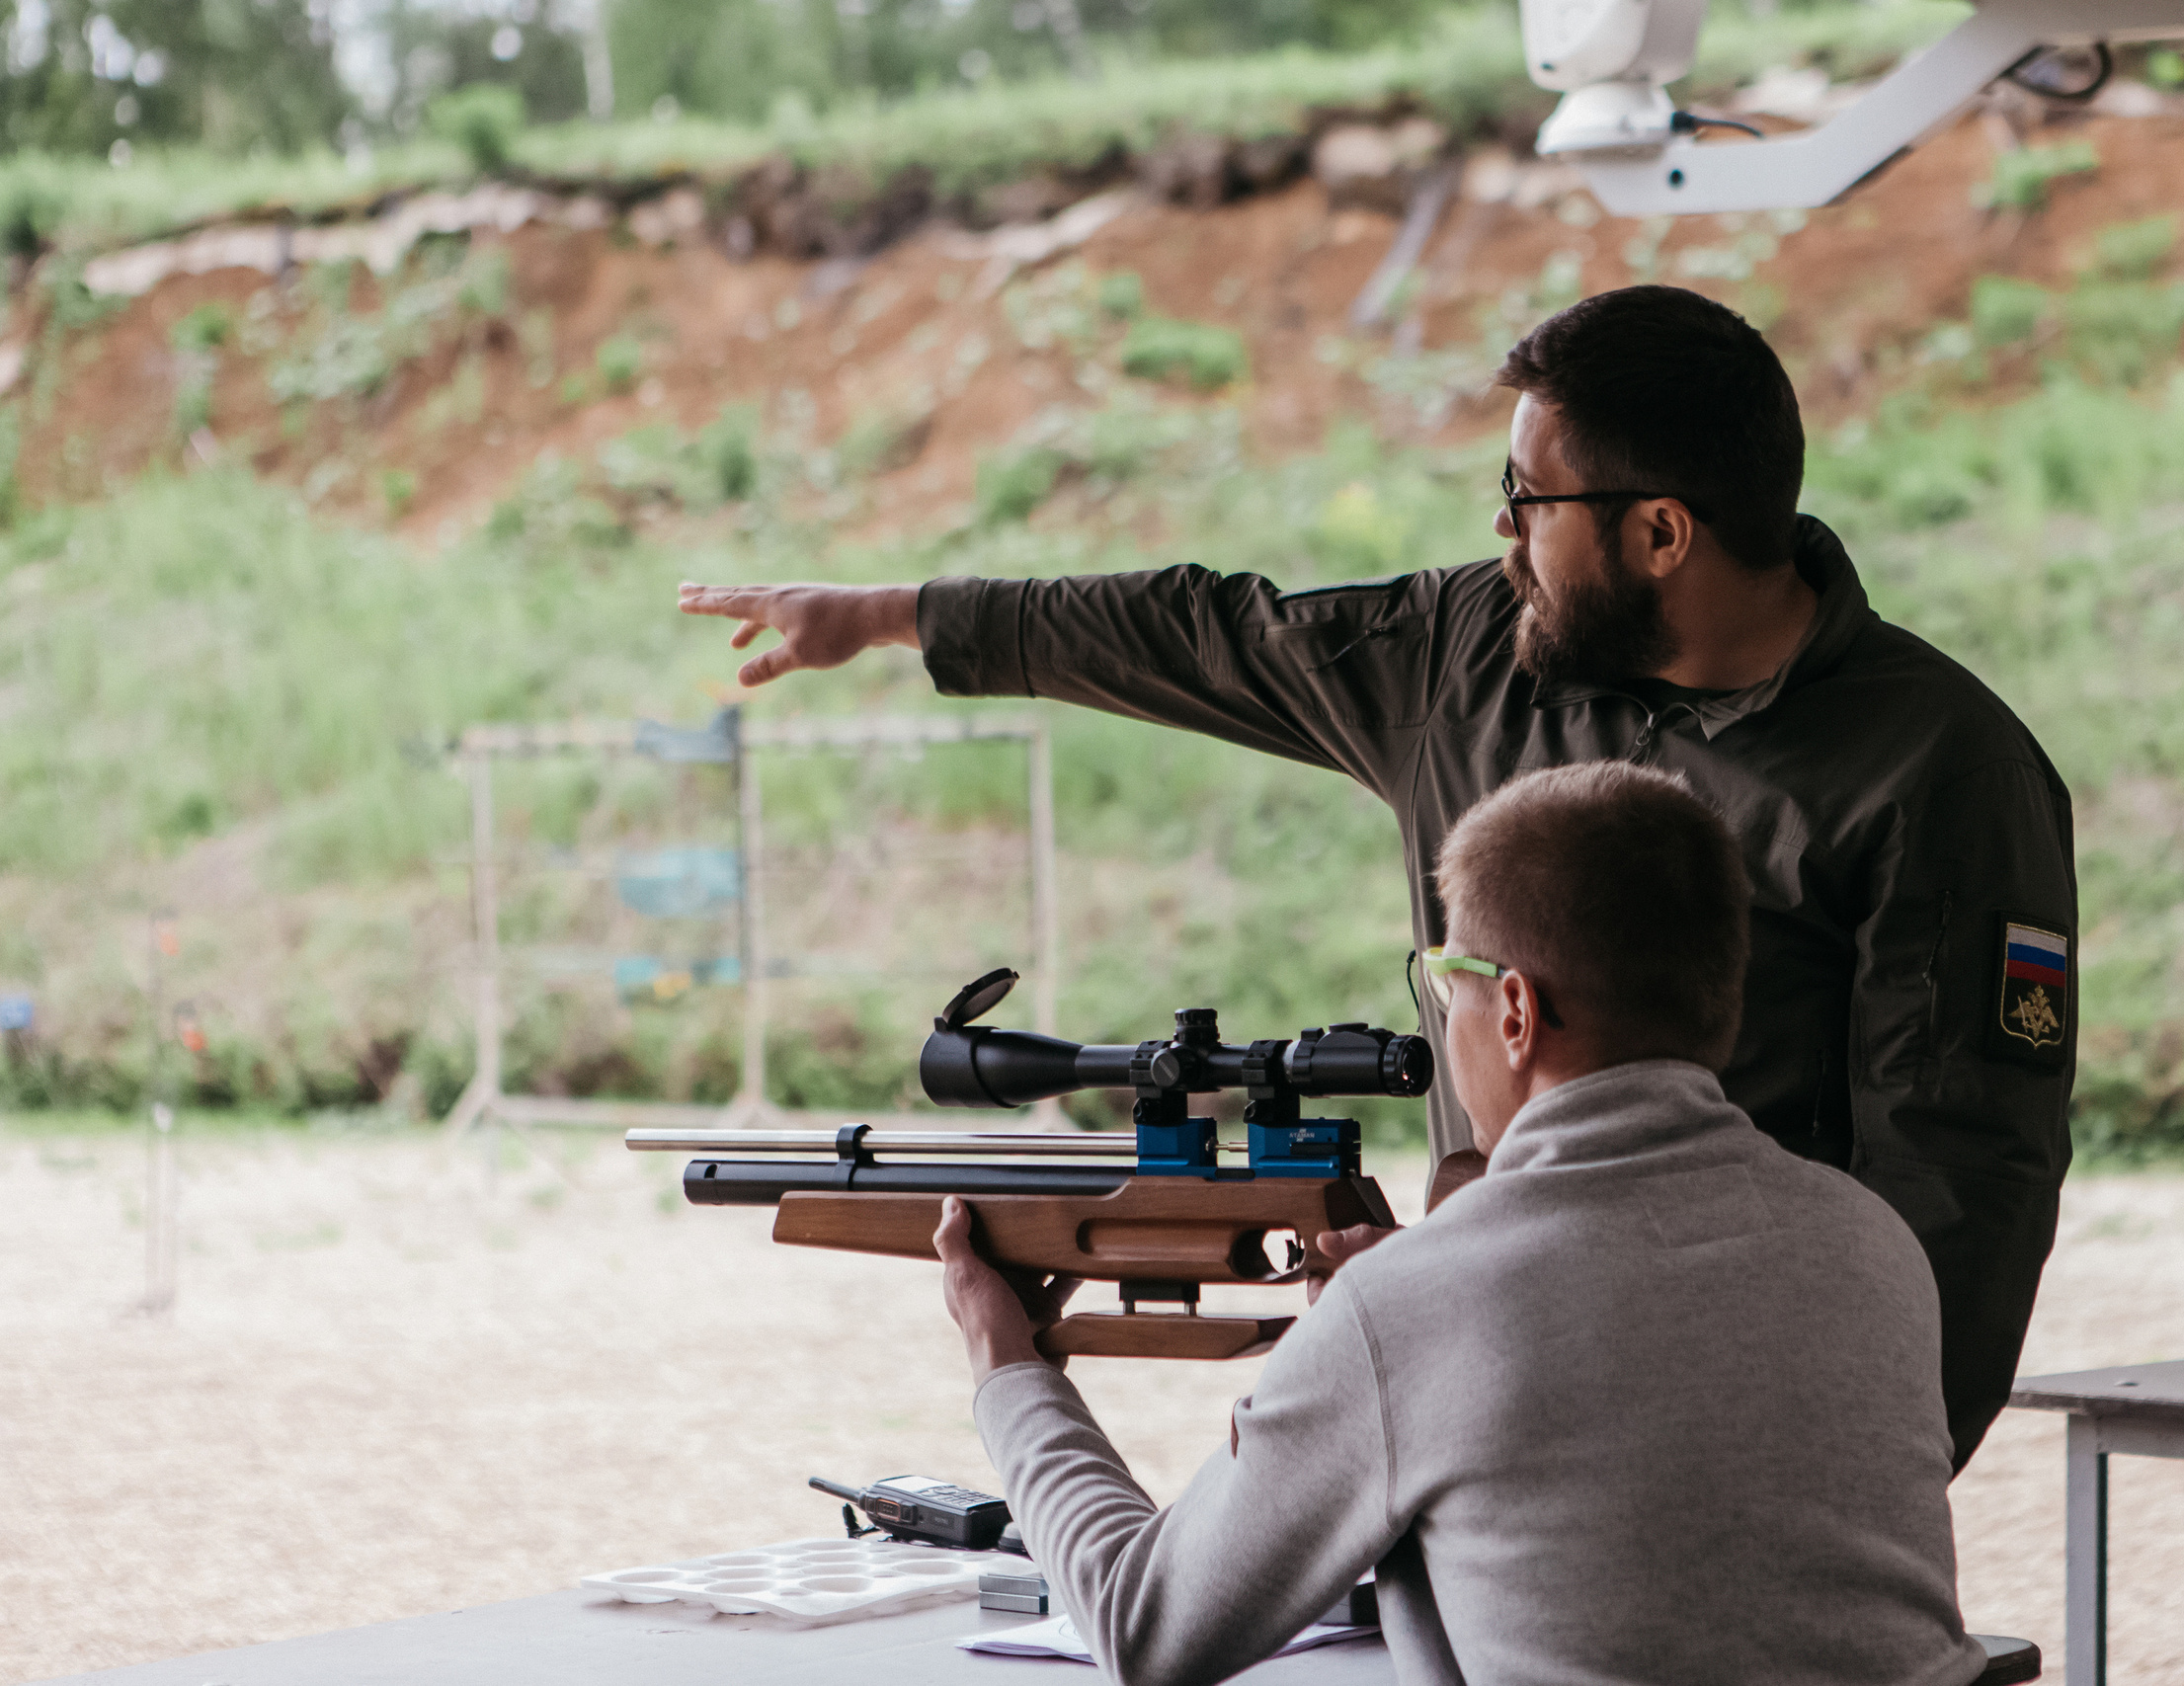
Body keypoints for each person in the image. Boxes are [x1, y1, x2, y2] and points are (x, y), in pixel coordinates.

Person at [679, 283, 2077, 1469]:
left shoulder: (1943, 773)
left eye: (1531, 500)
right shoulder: (1474, 653)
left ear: (1663, 532)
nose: (1502, 533)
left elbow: (1962, 1184)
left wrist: (1844, 1473)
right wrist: (900, 617)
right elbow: (1210, 633)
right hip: (1491, 1376)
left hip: (1737, 1409)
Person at [933, 764, 1989, 1686]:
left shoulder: (1418, 1308)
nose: (1445, 1017)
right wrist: (1401, 1332)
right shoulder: (1869, 1241)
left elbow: (1143, 1626)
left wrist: (1008, 1364)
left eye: (1450, 982)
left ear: (1518, 1012)